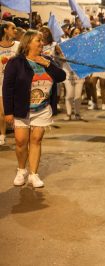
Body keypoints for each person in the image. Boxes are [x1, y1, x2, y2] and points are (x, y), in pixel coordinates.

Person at [3, 30, 66, 188]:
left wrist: (47, 64)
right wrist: (8, 112)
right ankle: (21, 170)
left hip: (42, 109)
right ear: (28, 43)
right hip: (21, 109)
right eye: (38, 40)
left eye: (42, 40)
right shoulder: (15, 62)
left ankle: (33, 174)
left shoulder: (47, 60)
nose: (42, 43)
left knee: (36, 140)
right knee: (20, 141)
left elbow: (61, 76)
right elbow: (7, 88)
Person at [0, 22, 20, 146]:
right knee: (2, 111)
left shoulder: (18, 46)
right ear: (5, 30)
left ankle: (19, 133)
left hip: (17, 82)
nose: (16, 30)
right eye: (13, 28)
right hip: (1, 82)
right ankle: (2, 134)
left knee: (16, 111)